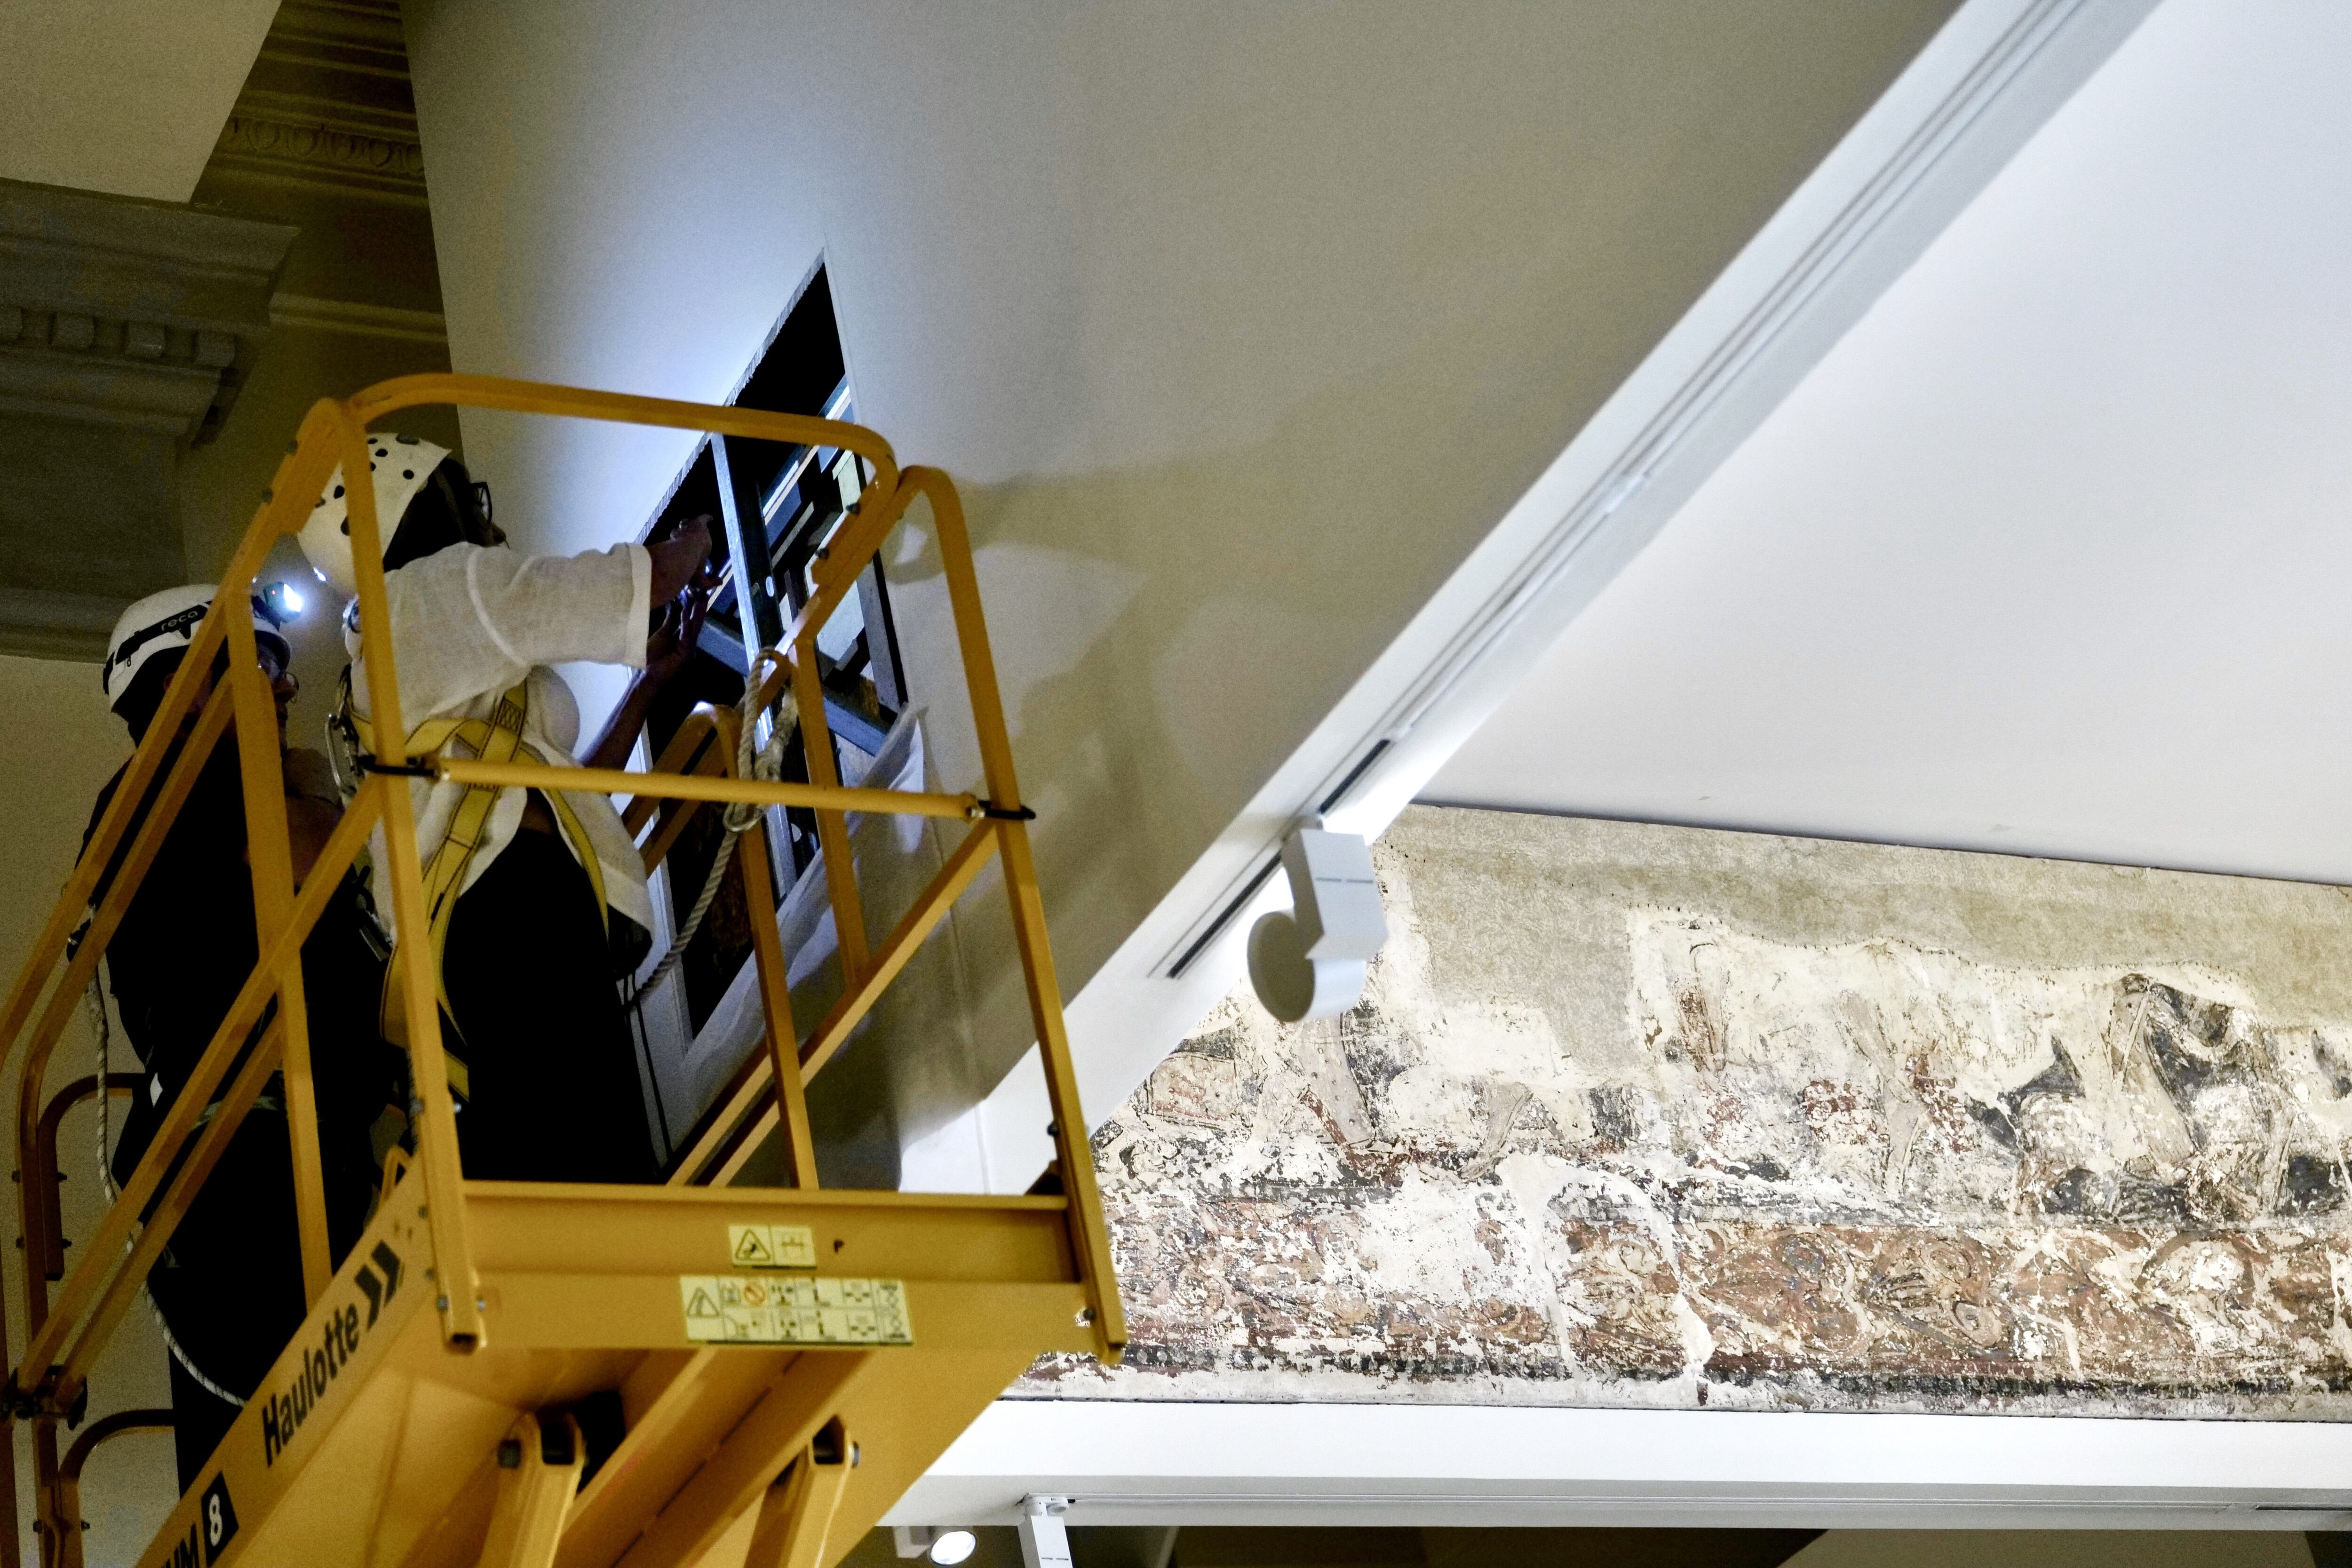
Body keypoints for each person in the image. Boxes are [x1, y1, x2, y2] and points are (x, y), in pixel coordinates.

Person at [300, 435, 713, 1185]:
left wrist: (647, 689)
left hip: (478, 922)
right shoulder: (439, 587)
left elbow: (551, 791)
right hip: (518, 904)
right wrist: (693, 541)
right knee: (589, 1146)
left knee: (558, 1135)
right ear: (429, 502)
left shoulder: (399, 640)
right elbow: (616, 585)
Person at [84, 584, 400, 1489]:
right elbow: (318, 871)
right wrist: (315, 781)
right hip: (251, 1147)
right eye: (267, 661)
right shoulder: (198, 784)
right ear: (192, 677)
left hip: (254, 1137)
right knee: (303, 1447)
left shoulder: (154, 801)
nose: (290, 686)